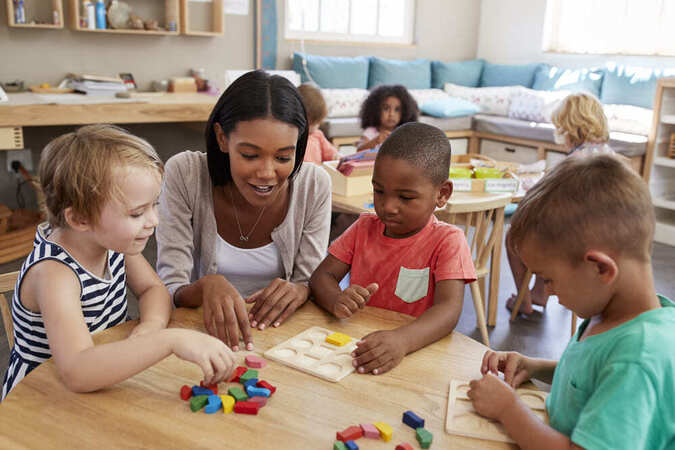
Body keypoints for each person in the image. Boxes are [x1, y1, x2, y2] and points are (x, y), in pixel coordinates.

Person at [1, 125, 235, 400]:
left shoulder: (111, 242)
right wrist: (168, 340)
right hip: (42, 399)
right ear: (80, 219)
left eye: (154, 204)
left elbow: (153, 290)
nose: (154, 221)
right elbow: (78, 371)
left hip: (102, 379)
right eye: (137, 213)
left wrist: (150, 328)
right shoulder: (55, 274)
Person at [467, 153, 674, 449]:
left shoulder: (638, 359)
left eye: (548, 279)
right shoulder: (612, 312)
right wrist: (536, 366)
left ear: (600, 268)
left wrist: (508, 410)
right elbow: (594, 375)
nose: (548, 293)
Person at [156, 70, 331, 352]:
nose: (266, 173)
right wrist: (205, 286)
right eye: (250, 155)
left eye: (284, 157)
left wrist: (302, 289)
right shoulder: (186, 174)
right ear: (222, 138)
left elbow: (308, 280)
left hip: (282, 341)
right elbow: (167, 287)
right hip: (200, 338)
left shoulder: (313, 184)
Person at [310, 122, 476, 375]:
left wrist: (403, 340)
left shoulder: (448, 241)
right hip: (359, 347)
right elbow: (322, 276)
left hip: (415, 353)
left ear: (442, 194)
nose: (388, 206)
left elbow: (448, 310)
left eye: (405, 197)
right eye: (379, 191)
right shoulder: (363, 227)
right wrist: (336, 299)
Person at [506, 92, 614, 314]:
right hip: (603, 240)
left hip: (573, 242)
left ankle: (523, 301)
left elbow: (540, 199)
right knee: (543, 227)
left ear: (570, 128)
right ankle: (539, 292)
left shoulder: (574, 164)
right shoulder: (610, 156)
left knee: (514, 236)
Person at [356, 84, 419, 152]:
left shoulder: (404, 132)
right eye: (386, 108)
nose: (391, 114)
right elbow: (359, 150)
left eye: (397, 110)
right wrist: (376, 141)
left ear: (404, 112)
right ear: (375, 110)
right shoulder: (371, 132)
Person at [297, 83, 339, 165]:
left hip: (317, 174)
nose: (316, 127)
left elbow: (330, 153)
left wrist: (336, 156)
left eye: (318, 123)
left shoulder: (318, 135)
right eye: (313, 123)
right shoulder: (293, 137)